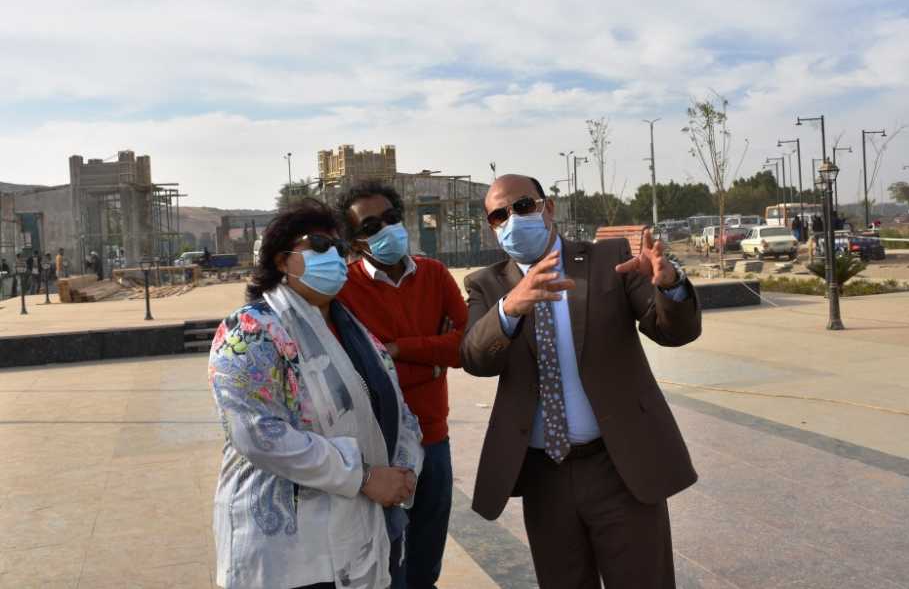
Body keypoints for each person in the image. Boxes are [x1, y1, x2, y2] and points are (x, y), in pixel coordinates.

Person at [461, 174, 702, 588]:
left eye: (522, 206)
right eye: (499, 215)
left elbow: (672, 331)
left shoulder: (609, 259)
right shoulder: (486, 284)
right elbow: (474, 358)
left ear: (548, 208)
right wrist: (509, 309)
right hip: (545, 476)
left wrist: (670, 285)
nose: (512, 219)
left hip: (619, 466)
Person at [208, 198, 424, 589]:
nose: (334, 257)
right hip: (289, 553)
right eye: (320, 245)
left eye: (339, 248)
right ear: (281, 260)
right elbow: (257, 434)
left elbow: (398, 407)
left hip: (365, 524)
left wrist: (405, 469)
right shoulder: (251, 331)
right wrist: (363, 477)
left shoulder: (354, 330)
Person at [335, 180, 467, 589]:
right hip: (380, 451)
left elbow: (466, 346)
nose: (385, 229)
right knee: (388, 565)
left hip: (434, 438)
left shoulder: (434, 274)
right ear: (355, 242)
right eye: (371, 226)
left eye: (390, 218)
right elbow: (361, 373)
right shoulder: (343, 290)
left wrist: (397, 349)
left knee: (426, 565)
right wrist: (432, 362)